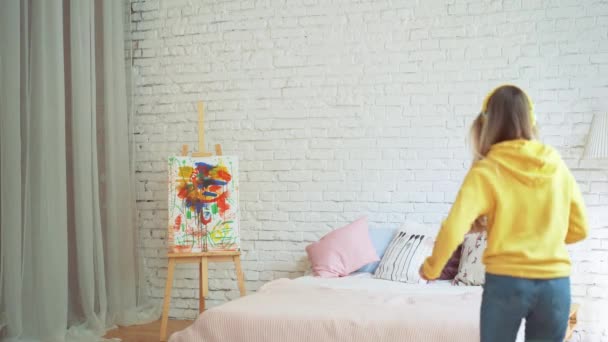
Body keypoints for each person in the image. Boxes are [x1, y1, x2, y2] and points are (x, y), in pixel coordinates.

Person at [419, 85, 589, 342]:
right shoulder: (556, 164)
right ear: (531, 121)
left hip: (506, 283)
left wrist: (431, 269)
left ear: (485, 125)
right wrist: (543, 239)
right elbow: (580, 229)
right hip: (555, 284)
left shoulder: (487, 170)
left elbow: (454, 228)